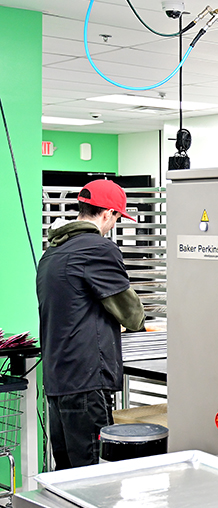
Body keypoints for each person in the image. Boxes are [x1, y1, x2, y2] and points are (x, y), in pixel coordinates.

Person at [37, 179, 146, 469]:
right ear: (108, 213)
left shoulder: (53, 252)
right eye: (117, 218)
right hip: (86, 382)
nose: (114, 224)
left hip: (57, 381)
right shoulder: (98, 249)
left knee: (67, 472)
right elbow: (131, 314)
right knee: (94, 474)